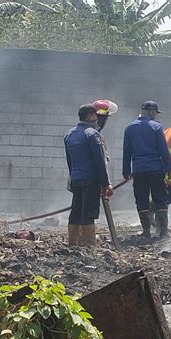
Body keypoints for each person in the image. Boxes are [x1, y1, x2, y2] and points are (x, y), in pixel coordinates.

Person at [65, 103, 114, 246]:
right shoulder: (92, 134)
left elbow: (70, 160)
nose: (96, 118)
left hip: (76, 179)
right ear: (89, 116)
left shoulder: (70, 134)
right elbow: (99, 162)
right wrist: (106, 184)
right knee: (88, 213)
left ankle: (73, 244)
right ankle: (89, 247)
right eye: (94, 115)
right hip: (91, 180)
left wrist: (73, 177)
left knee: (76, 211)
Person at [122, 101, 171, 239]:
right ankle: (163, 232)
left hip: (138, 170)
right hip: (156, 169)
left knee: (141, 199)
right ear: (150, 112)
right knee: (160, 198)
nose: (155, 116)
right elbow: (163, 150)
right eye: (155, 113)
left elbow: (126, 151)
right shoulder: (156, 127)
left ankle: (146, 232)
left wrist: (125, 171)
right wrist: (169, 168)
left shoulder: (129, 128)